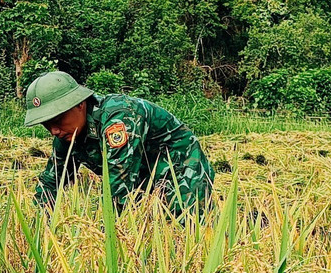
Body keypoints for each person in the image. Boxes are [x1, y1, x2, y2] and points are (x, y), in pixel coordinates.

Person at [25, 70, 215, 216]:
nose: (54, 130)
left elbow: (118, 185)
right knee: (143, 228)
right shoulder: (66, 136)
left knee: (187, 222)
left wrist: (100, 238)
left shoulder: (119, 118)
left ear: (80, 104)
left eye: (58, 119)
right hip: (140, 172)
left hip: (180, 163)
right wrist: (39, 225)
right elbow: (51, 182)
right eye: (46, 124)